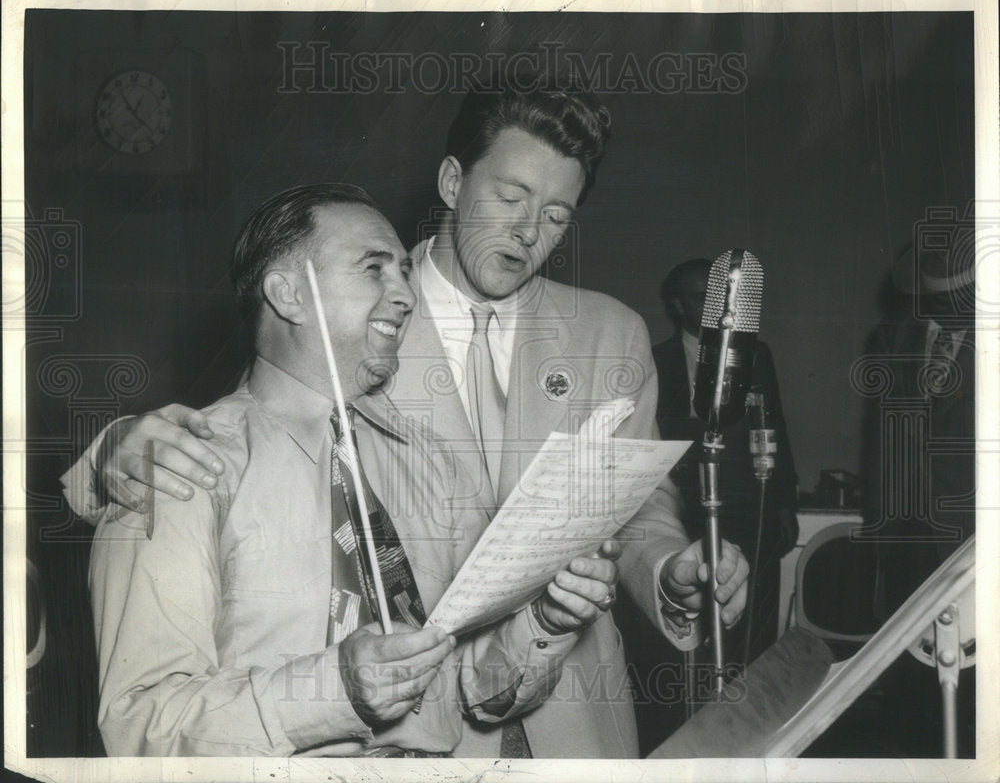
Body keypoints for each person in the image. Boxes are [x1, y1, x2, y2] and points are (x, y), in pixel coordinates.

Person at [65, 82, 750, 758]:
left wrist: (643, 579)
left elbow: (633, 506)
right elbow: (252, 427)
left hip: (562, 706)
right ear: (452, 182)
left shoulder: (610, 333)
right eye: (510, 198)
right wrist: (110, 457)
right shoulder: (345, 342)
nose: (527, 230)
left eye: (556, 216)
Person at [80, 183, 621, 757]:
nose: (406, 295)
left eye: (405, 272)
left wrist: (545, 623)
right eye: (374, 268)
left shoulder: (432, 464)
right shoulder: (174, 467)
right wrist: (334, 689)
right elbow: (140, 728)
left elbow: (471, 690)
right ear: (288, 294)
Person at [856, 241, 975, 757]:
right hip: (903, 534)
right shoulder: (892, 336)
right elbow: (878, 438)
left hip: (973, 538)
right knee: (907, 672)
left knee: (972, 682)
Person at [652, 258, 799, 662]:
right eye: (702, 299)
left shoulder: (755, 355)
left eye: (719, 299)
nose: (716, 310)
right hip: (687, 515)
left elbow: (776, 426)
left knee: (753, 631)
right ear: (678, 306)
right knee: (696, 638)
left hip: (753, 513)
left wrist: (785, 503)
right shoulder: (654, 361)